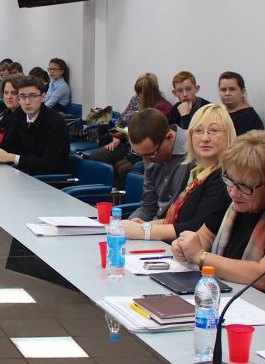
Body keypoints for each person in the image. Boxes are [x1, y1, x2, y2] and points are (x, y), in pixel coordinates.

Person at [170, 131, 265, 301]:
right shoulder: (230, 194)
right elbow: (204, 238)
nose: (234, 192)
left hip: (263, 304)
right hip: (225, 294)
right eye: (229, 180)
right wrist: (184, 246)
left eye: (245, 186)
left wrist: (201, 257)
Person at [122, 103, 233, 241]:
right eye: (198, 131)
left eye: (214, 131)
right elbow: (154, 209)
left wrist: (144, 231)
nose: (205, 138)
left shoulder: (222, 176)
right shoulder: (198, 173)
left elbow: (196, 227)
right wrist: (142, 225)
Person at [86, 73, 172, 175]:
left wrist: (125, 133)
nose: (138, 96)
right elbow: (120, 121)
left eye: (140, 94)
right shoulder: (135, 100)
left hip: (141, 148)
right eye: (138, 93)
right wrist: (116, 138)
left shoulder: (161, 108)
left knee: (121, 168)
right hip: (125, 142)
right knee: (96, 156)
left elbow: (150, 136)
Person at [0, 76, 69, 175]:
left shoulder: (55, 122)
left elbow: (49, 163)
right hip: (24, 174)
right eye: (22, 97)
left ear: (43, 97)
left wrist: (12, 157)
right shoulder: (19, 116)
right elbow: (10, 144)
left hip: (51, 179)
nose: (27, 102)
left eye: (33, 96)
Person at [122, 108, 189, 226]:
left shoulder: (195, 152)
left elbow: (192, 220)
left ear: (169, 137)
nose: (146, 161)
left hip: (180, 230)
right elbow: (148, 208)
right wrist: (128, 225)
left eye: (151, 154)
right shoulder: (150, 155)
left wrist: (148, 228)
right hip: (156, 228)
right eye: (140, 155)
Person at [218, 71, 264, 135]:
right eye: (223, 90)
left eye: (232, 89)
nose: (227, 93)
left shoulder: (249, 118)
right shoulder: (219, 113)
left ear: (243, 92)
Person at [0, 74, 22, 147]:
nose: (8, 97)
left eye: (13, 93)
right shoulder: (3, 114)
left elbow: (9, 145)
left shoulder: (23, 118)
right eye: (6, 93)